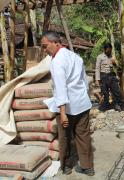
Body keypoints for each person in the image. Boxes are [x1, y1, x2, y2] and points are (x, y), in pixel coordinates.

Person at [41, 31, 94, 176]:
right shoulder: (75, 57)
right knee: (83, 136)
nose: (44, 50)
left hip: (68, 107)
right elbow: (84, 81)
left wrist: (63, 113)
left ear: (56, 43)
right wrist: (85, 97)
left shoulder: (57, 61)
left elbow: (60, 88)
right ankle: (87, 167)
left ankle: (65, 166)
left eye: (45, 46)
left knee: (64, 138)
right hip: (82, 103)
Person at [95, 43, 124, 112]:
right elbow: (97, 68)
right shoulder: (100, 57)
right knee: (105, 93)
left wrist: (114, 63)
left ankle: (122, 106)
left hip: (111, 76)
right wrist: (97, 79)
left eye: (110, 50)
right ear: (104, 50)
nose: (109, 52)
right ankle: (106, 107)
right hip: (103, 76)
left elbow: (116, 67)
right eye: (108, 50)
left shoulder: (112, 56)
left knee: (116, 91)